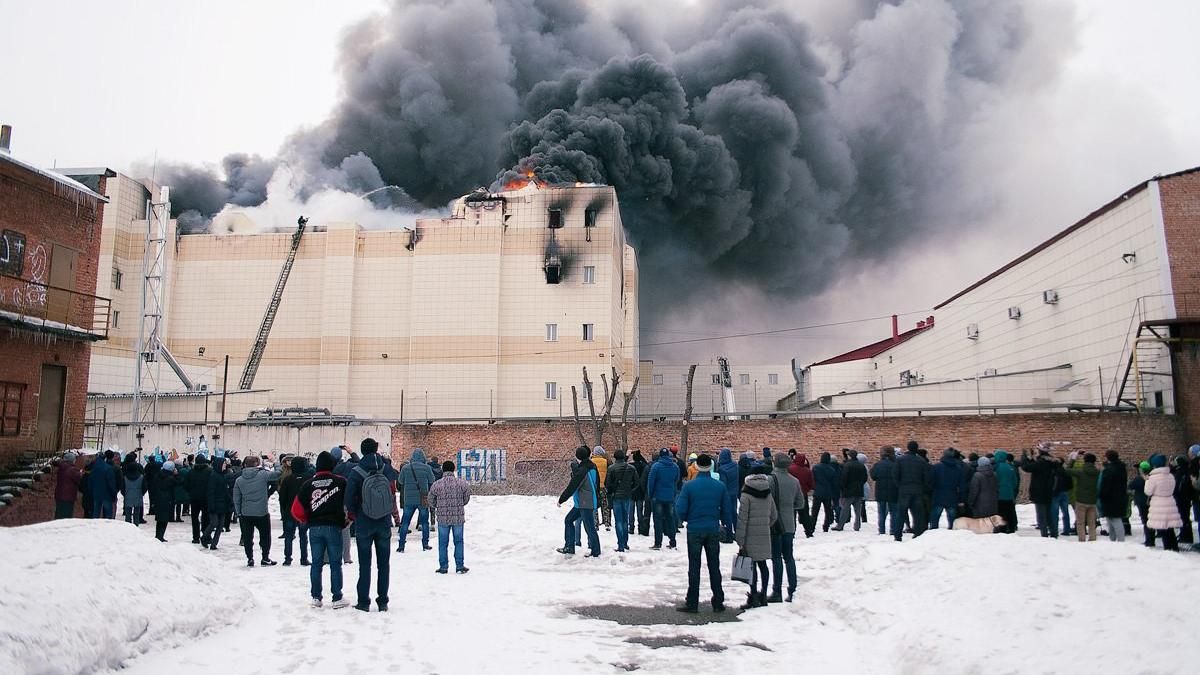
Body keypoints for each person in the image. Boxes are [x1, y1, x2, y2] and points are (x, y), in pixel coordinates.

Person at [345, 437, 399, 611]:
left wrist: (353, 514)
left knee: (364, 564)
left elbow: (349, 497)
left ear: (362, 450)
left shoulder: (357, 471)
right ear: (376, 450)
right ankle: (383, 601)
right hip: (384, 520)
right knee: (384, 564)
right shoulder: (386, 468)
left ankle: (363, 601)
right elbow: (395, 481)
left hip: (364, 521)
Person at [291, 450, 349, 608]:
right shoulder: (340, 482)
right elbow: (351, 500)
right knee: (335, 563)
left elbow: (296, 509)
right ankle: (337, 597)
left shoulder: (308, 484)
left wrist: (306, 520)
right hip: (334, 526)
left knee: (316, 563)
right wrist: (349, 518)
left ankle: (316, 597)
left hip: (315, 528)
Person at [674, 453, 727, 613]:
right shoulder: (720, 486)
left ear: (696, 466)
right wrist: (723, 522)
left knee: (694, 566)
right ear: (711, 466)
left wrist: (686, 518)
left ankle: (692, 602)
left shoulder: (689, 486)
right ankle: (718, 601)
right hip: (712, 528)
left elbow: (680, 509)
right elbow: (726, 509)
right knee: (714, 565)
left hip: (695, 529)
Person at [735, 470, 777, 609]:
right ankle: (764, 594)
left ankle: (753, 596)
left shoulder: (746, 495)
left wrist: (740, 539)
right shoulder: (768, 493)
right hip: (764, 534)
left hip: (749, 536)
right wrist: (765, 525)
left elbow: (742, 519)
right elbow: (774, 516)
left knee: (751, 566)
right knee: (763, 565)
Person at [233, 455, 282, 567]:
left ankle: (250, 558)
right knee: (265, 536)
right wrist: (275, 462)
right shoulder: (263, 475)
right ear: (257, 464)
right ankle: (265, 557)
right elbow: (278, 473)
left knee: (247, 537)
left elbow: (236, 498)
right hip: (262, 512)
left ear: (245, 465)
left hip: (246, 513)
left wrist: (238, 512)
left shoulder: (239, 480)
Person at [768, 453, 803, 603]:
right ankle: (793, 588)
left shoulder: (770, 479)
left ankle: (777, 590)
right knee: (789, 557)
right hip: (789, 524)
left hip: (775, 524)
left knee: (776, 557)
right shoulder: (794, 481)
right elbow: (800, 503)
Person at [557, 446, 602, 556]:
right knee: (569, 520)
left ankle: (595, 551)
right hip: (584, 501)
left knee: (589, 526)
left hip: (585, 503)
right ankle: (569, 546)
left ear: (578, 457)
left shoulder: (582, 470)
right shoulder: (592, 466)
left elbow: (572, 486)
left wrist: (561, 500)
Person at [428, 460, 472, 574]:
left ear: (443, 470)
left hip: (443, 518)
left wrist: (438, 506)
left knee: (443, 543)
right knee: (458, 541)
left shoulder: (437, 484)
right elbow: (466, 498)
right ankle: (459, 566)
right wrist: (460, 504)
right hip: (458, 518)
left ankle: (443, 567)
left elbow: (430, 499)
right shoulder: (461, 484)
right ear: (453, 469)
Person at [397, 448, 435, 553]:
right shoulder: (427, 468)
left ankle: (401, 545)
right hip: (423, 497)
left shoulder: (405, 468)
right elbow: (432, 480)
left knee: (405, 522)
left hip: (408, 498)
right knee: (425, 522)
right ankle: (425, 544)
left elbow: (400, 481)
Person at [1020, 448, 1061, 538]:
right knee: (1049, 514)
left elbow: (1027, 467)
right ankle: (1054, 533)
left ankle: (1044, 534)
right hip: (1049, 491)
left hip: (1039, 492)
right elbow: (1033, 465)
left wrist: (1024, 456)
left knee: (1041, 515)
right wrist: (1030, 458)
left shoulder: (1041, 463)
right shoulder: (1051, 462)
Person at [646, 448, 681, 550]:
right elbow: (676, 480)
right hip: (670, 496)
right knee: (670, 519)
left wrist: (650, 494)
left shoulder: (656, 467)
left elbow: (651, 482)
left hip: (658, 497)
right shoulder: (675, 467)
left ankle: (658, 543)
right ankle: (673, 540)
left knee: (658, 520)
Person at [1144, 454, 1180, 550]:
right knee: (1169, 528)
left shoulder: (1153, 478)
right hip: (1170, 502)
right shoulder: (1171, 476)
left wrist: (1147, 481)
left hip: (1158, 504)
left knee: (1162, 528)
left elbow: (1148, 492)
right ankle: (1175, 547)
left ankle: (1167, 549)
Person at [278, 456, 310, 566]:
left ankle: (287, 558)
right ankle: (304, 558)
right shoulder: (308, 479)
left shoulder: (287, 479)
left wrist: (284, 508)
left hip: (289, 511)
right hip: (304, 512)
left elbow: (282, 497)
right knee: (303, 536)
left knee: (288, 536)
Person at [605, 450, 639, 552]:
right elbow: (637, 482)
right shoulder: (631, 468)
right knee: (625, 520)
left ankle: (620, 544)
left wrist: (611, 492)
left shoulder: (611, 468)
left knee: (618, 521)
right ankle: (625, 543)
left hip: (616, 497)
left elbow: (607, 483)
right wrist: (630, 490)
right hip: (627, 496)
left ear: (615, 457)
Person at [896, 442, 929, 540]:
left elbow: (895, 474)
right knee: (918, 513)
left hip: (904, 490)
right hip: (917, 490)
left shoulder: (900, 460)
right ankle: (918, 533)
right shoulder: (921, 461)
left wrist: (900, 486)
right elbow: (925, 477)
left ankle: (898, 535)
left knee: (901, 513)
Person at [1065, 453, 1100, 542]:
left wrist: (1073, 459)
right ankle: (1092, 538)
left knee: (1080, 522)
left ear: (1085, 461)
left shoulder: (1081, 472)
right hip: (1092, 500)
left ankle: (1082, 539)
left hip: (1081, 500)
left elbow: (1067, 470)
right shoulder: (1097, 472)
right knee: (1091, 522)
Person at [929, 448, 965, 529]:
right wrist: (961, 499)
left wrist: (931, 492)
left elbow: (931, 482)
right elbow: (962, 485)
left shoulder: (936, 467)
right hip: (952, 496)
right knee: (952, 520)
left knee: (935, 519)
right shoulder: (958, 469)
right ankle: (951, 534)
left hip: (938, 495)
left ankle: (932, 534)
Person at [1097, 450, 1128, 542]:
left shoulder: (1109, 470)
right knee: (1112, 519)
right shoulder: (1121, 467)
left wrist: (1101, 495)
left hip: (1110, 498)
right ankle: (1114, 539)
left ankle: (1119, 540)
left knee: (1114, 519)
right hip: (1120, 496)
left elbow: (1105, 485)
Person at [833, 451, 867, 531]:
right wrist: (860, 484)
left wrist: (843, 487)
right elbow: (865, 478)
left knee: (845, 509)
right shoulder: (861, 465)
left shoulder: (847, 465)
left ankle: (840, 525)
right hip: (859, 490)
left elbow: (844, 478)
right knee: (858, 510)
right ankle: (857, 526)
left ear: (850, 456)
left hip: (849, 491)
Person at [871, 447, 900, 537]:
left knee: (882, 512)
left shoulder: (878, 464)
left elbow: (873, 476)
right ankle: (893, 530)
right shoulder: (896, 464)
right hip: (893, 491)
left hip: (880, 491)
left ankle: (882, 530)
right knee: (894, 512)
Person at [205, 456, 232, 550]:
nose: (225, 465)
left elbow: (225, 491)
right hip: (215, 504)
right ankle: (204, 537)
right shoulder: (213, 476)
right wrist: (211, 505)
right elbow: (210, 492)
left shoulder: (223, 475)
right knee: (214, 523)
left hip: (223, 504)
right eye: (224, 464)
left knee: (220, 526)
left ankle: (214, 544)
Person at [788, 453, 816, 538]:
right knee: (805, 514)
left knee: (792, 515)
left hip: (791, 494)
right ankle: (808, 531)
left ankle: (792, 532)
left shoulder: (790, 469)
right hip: (802, 494)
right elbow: (811, 484)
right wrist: (806, 489)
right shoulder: (807, 471)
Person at [186, 454, 211, 545]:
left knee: (194, 518)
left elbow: (186, 485)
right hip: (205, 498)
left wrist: (191, 492)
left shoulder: (191, 472)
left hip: (194, 499)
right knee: (206, 517)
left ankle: (195, 537)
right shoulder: (209, 471)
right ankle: (205, 535)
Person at [716, 449, 740, 542]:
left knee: (727, 514)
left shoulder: (722, 469)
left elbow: (723, 484)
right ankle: (737, 533)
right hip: (734, 492)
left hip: (726, 494)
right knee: (734, 513)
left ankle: (729, 535)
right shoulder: (735, 466)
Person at [151, 461, 178, 542]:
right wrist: (176, 475)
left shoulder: (158, 475)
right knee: (164, 519)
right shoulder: (171, 478)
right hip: (167, 500)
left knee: (159, 518)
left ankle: (158, 535)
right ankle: (160, 536)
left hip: (158, 499)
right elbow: (179, 482)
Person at [811, 452, 839, 533]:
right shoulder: (831, 469)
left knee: (815, 511)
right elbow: (834, 482)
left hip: (818, 491)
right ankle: (826, 526)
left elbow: (813, 479)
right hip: (828, 492)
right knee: (828, 510)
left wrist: (814, 487)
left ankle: (812, 526)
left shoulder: (816, 468)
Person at [89, 450, 119, 519]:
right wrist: (114, 494)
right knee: (108, 514)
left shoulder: (94, 468)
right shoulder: (108, 468)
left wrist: (92, 492)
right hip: (107, 494)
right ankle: (107, 527)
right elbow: (111, 483)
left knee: (96, 512)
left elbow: (90, 482)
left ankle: (95, 526)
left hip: (96, 494)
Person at [53, 452, 82, 519]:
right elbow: (79, 478)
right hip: (68, 495)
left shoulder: (62, 467)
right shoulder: (72, 470)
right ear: (72, 460)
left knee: (59, 513)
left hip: (59, 494)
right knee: (66, 515)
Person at [120, 453, 146, 526]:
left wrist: (124, 493)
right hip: (138, 495)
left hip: (128, 495)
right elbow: (144, 487)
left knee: (128, 514)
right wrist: (142, 493)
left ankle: (128, 526)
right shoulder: (141, 477)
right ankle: (136, 525)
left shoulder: (125, 477)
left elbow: (122, 488)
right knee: (136, 514)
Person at [592, 446, 612, 531]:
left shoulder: (591, 462)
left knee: (595, 505)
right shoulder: (605, 461)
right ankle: (607, 522)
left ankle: (596, 524)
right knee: (605, 505)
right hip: (603, 486)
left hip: (594, 487)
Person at [630, 450, 649, 536]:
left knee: (631, 510)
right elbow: (646, 463)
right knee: (639, 510)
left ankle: (631, 527)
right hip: (640, 490)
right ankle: (640, 527)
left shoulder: (630, 466)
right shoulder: (643, 466)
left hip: (631, 490)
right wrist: (640, 456)